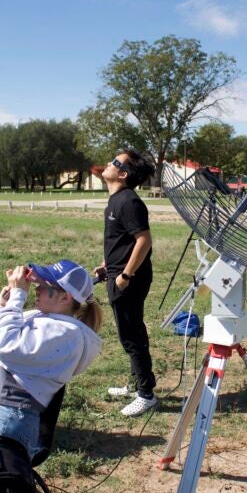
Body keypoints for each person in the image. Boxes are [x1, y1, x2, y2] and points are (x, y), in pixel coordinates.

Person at [0, 260, 103, 459]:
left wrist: (17, 298)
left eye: (43, 286)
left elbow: (3, 346)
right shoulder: (40, 317)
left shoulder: (67, 334)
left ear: (65, 297)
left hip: (5, 417)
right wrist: (2, 306)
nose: (36, 289)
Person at [94, 148, 158, 417]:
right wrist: (109, 266)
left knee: (131, 336)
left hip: (128, 280)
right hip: (119, 274)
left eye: (115, 162)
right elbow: (125, 241)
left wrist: (125, 276)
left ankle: (146, 394)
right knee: (131, 332)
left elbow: (144, 240)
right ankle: (136, 383)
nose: (109, 164)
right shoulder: (116, 200)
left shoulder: (128, 201)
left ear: (123, 173)